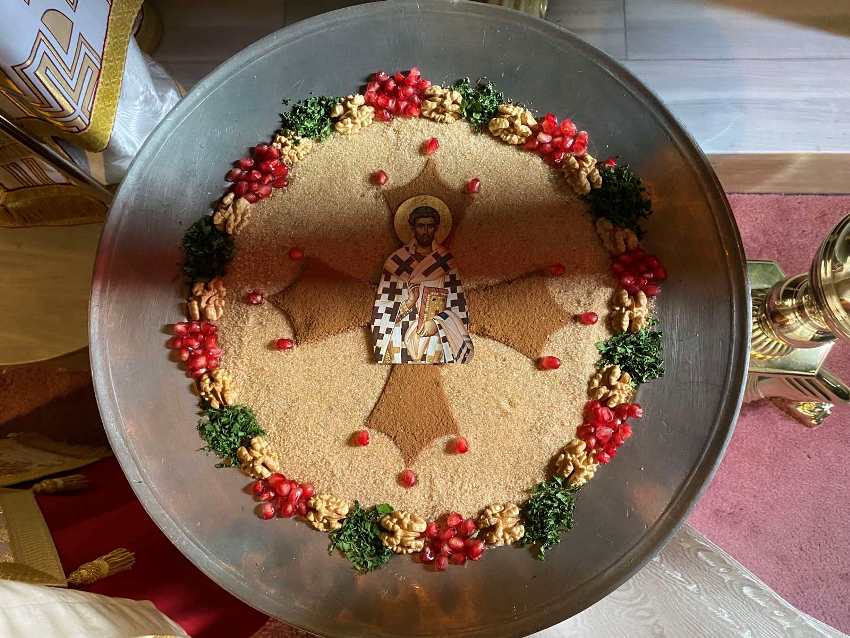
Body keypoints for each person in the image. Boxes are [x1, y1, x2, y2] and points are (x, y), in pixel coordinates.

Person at [371, 205, 473, 364]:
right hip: (400, 334)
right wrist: (410, 302)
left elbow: (457, 305)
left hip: (436, 333)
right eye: (420, 226)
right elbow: (383, 312)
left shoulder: (444, 261)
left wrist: (437, 322)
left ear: (436, 228)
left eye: (430, 226)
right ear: (413, 228)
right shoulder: (396, 262)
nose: (425, 231)